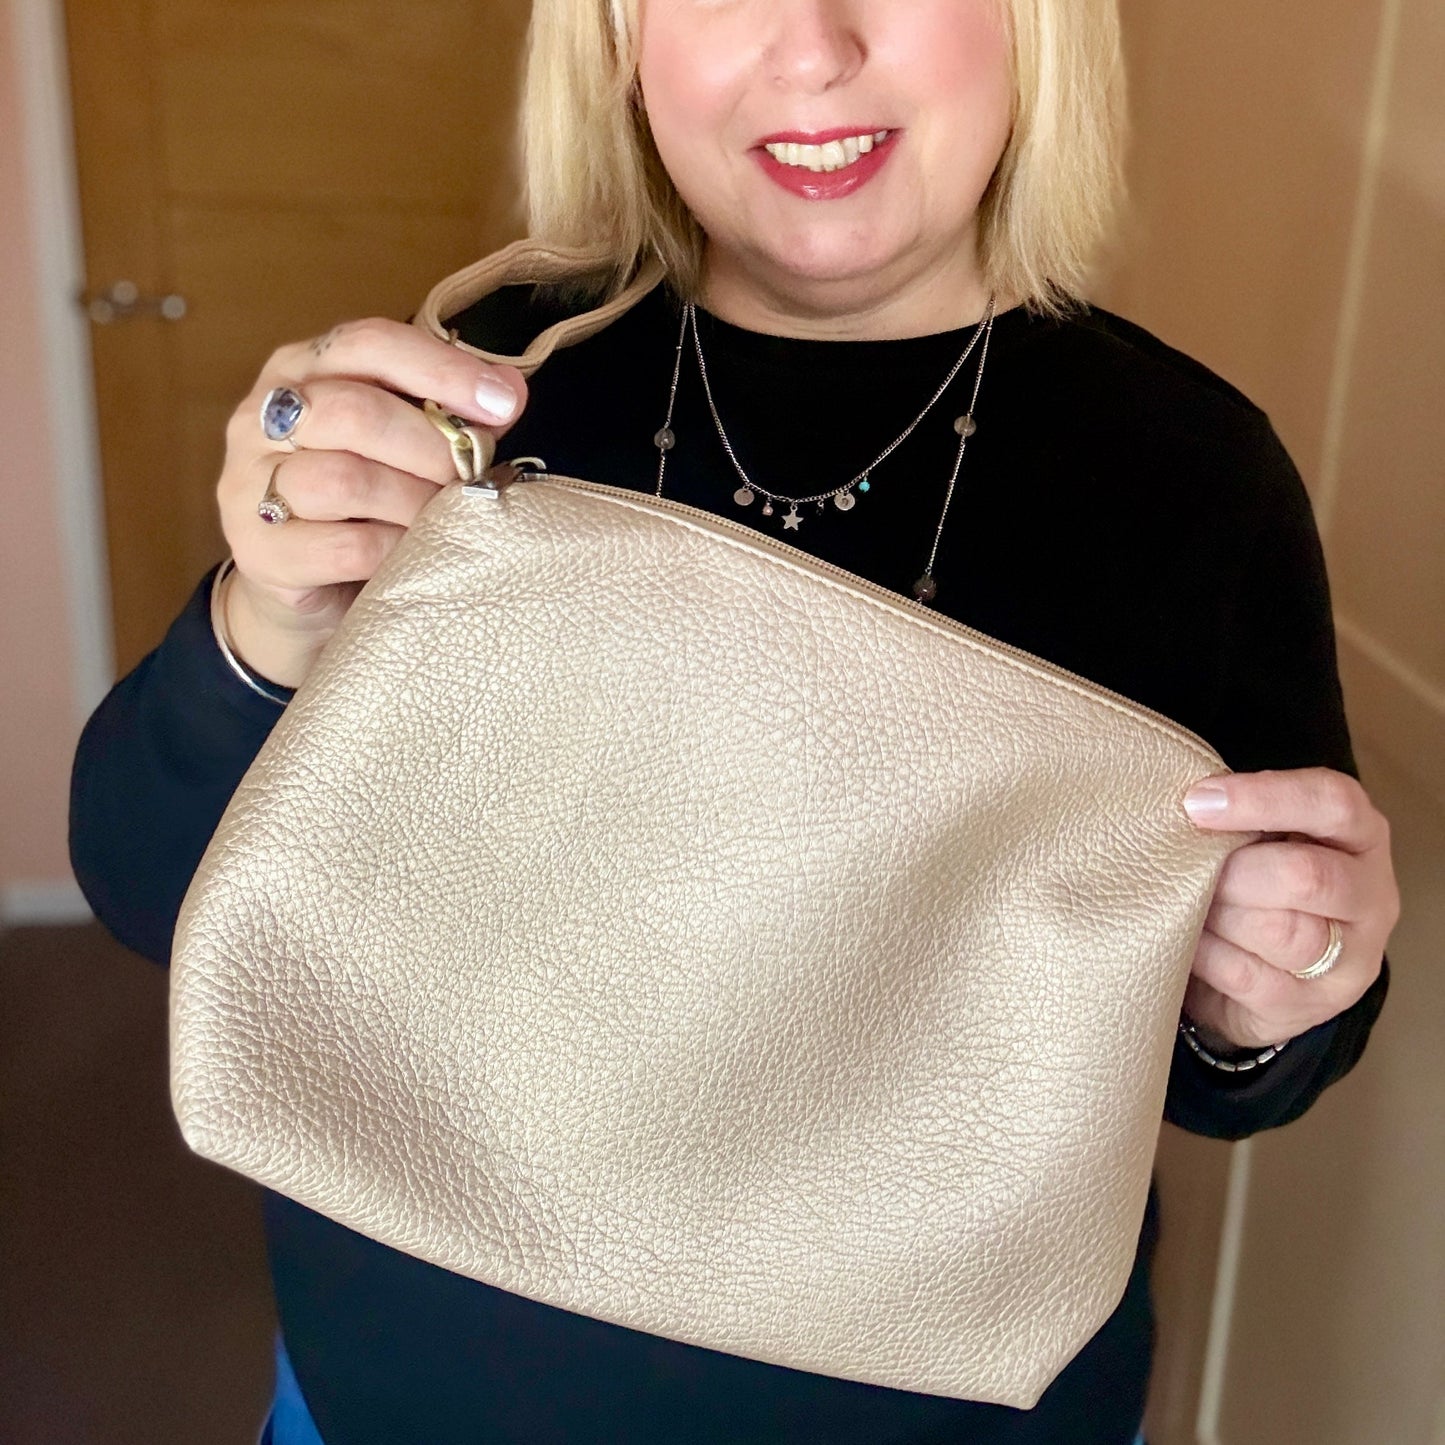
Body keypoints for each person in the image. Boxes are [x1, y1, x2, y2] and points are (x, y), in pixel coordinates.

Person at [69, 0, 1398, 1441]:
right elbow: (152, 888)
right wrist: (267, 623)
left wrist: (1278, 989)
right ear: (616, 38)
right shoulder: (471, 388)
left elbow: (1233, 1077)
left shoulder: (1194, 478)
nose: (811, 45)